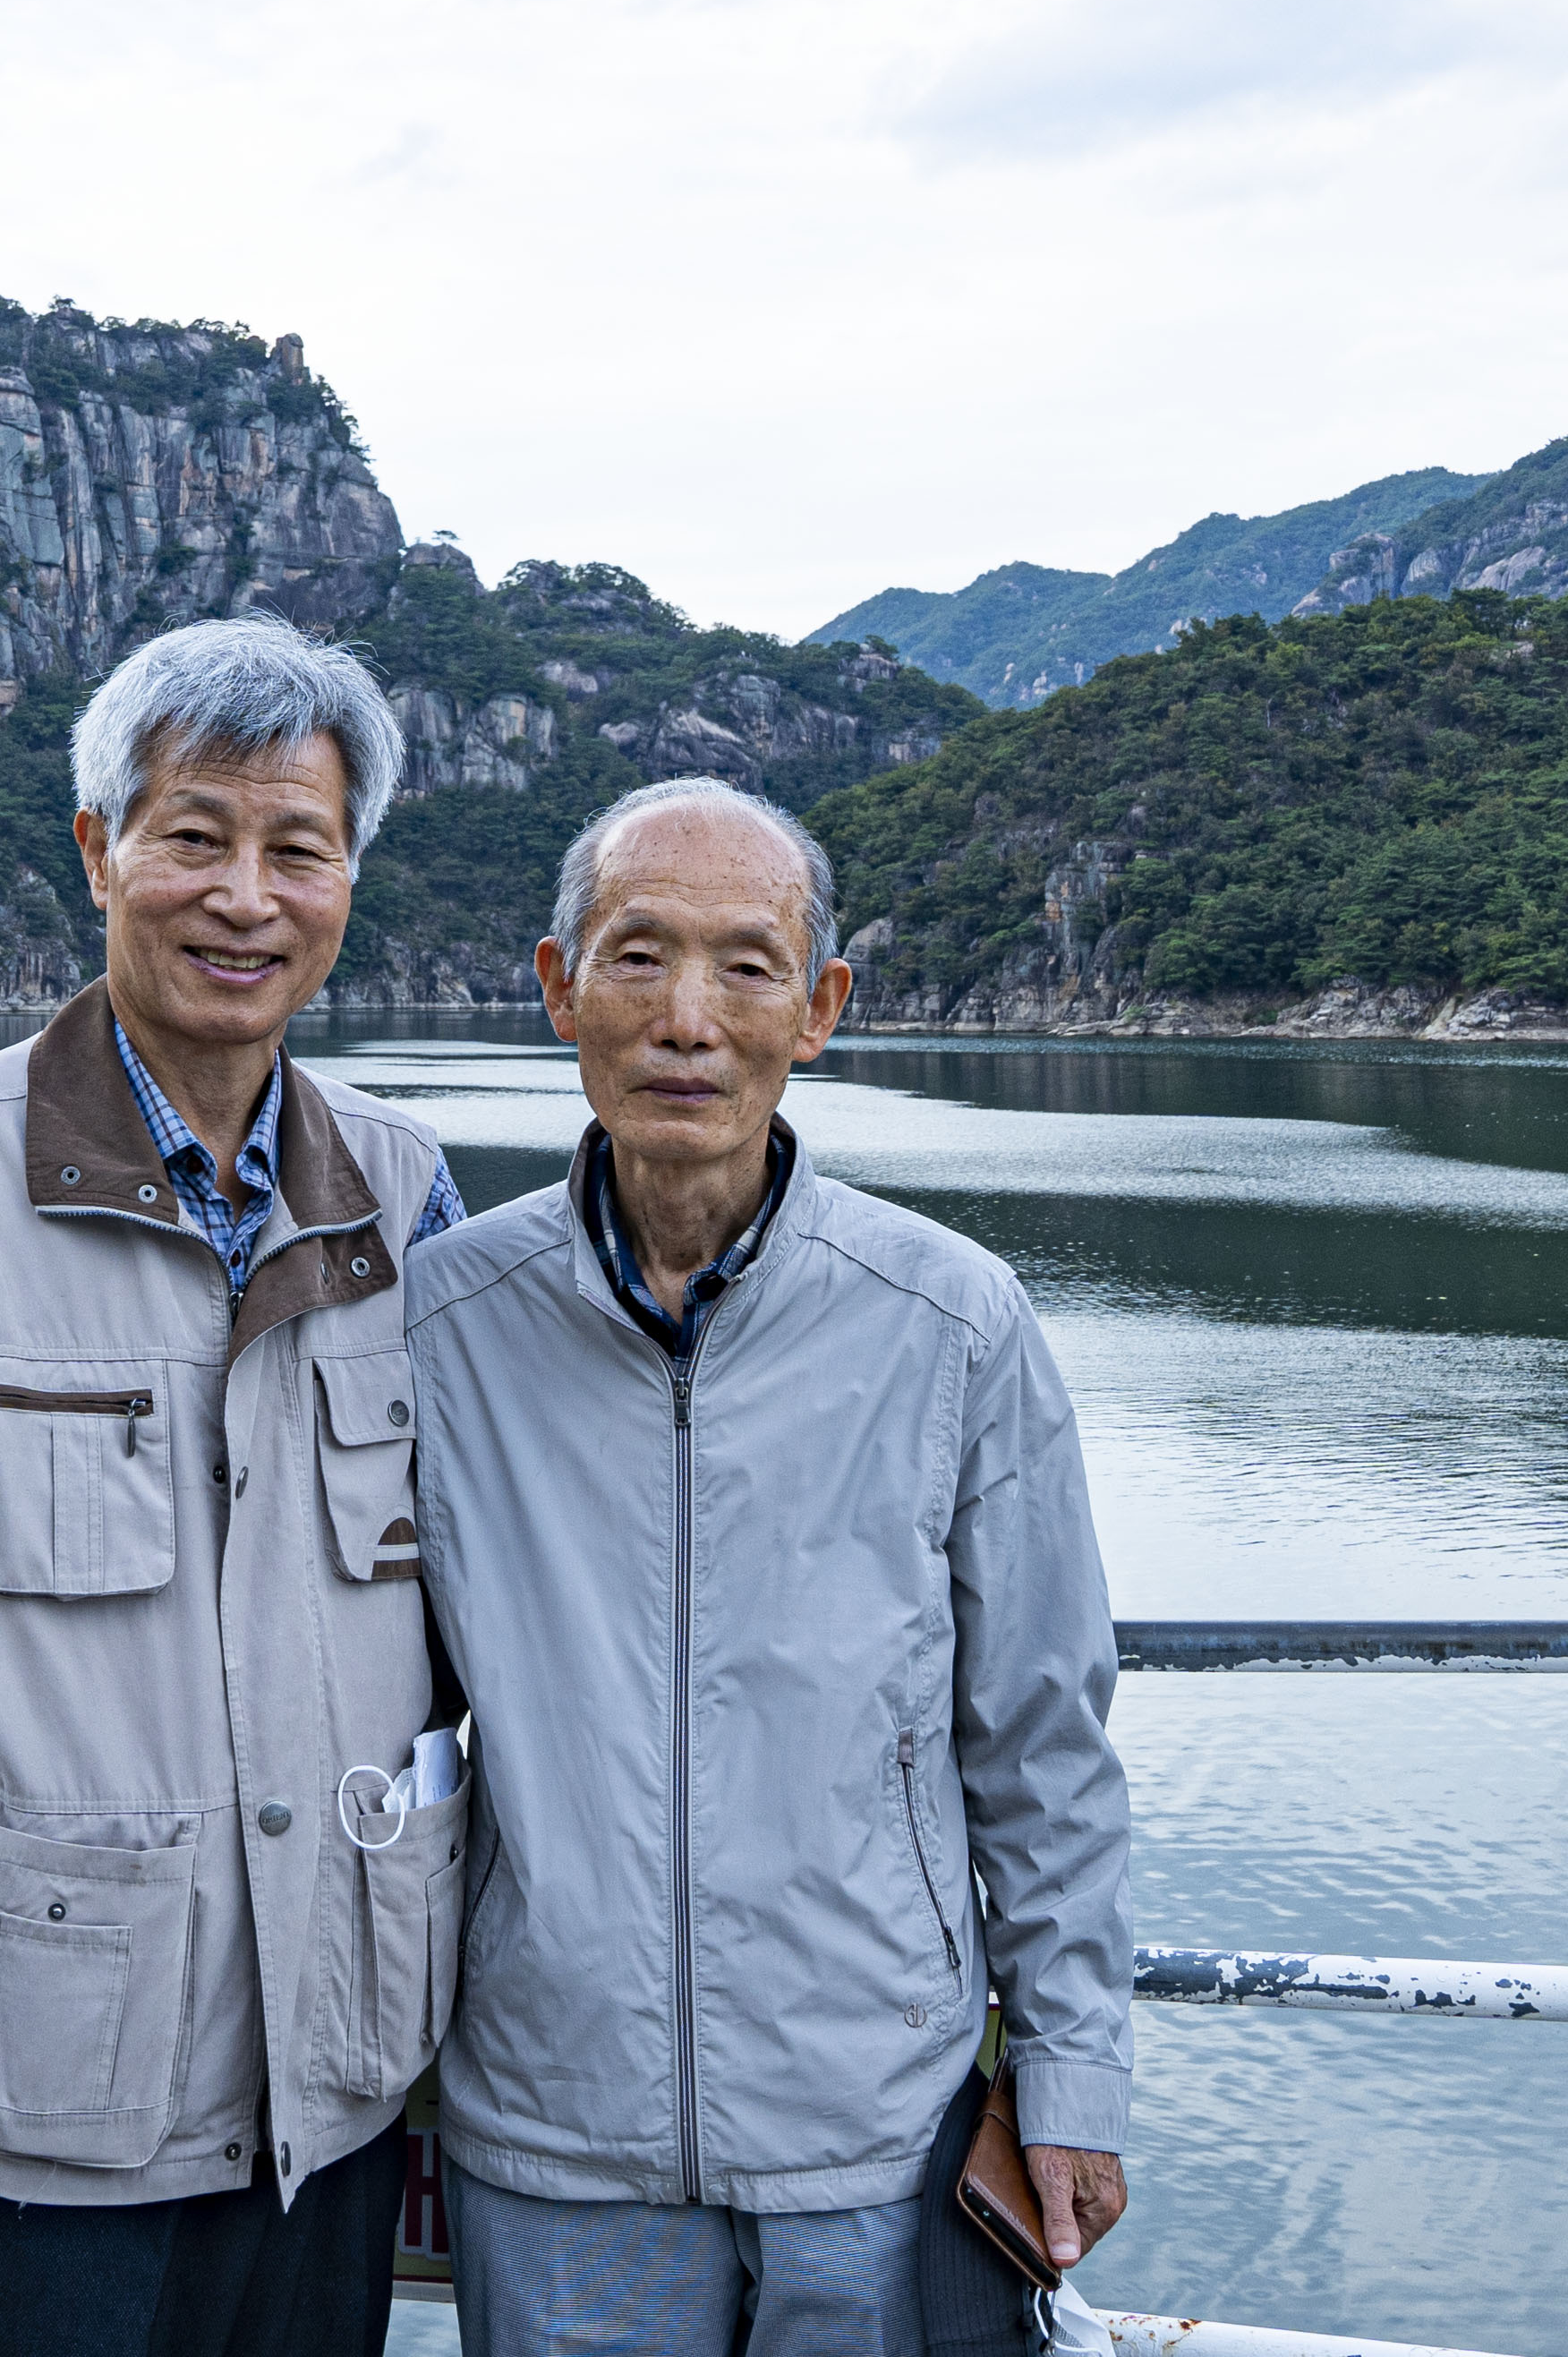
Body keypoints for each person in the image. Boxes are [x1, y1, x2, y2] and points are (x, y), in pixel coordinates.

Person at [0, 615, 474, 2357]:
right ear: (98, 849)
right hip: (31, 2133)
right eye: (194, 835)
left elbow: (468, 1621)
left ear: (349, 878)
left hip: (333, 2098)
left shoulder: (406, 1194)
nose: (246, 897)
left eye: (299, 848)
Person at [405, 775, 1132, 2355]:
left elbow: (1043, 1738)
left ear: (820, 1010)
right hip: (553, 2132)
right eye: (638, 955)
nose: (689, 1019)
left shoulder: (950, 1320)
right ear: (559, 990)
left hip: (875, 2123)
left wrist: (1070, 2070)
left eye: (747, 966)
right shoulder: (442, 1325)